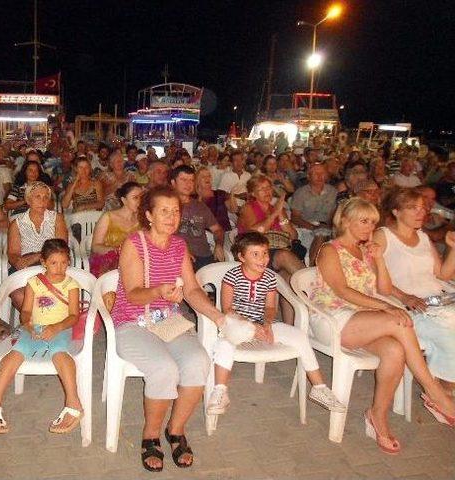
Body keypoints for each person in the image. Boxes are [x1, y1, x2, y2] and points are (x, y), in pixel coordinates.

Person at [312, 198, 455, 454]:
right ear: (345, 221)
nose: (370, 228)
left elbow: (385, 289)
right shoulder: (329, 250)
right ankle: (435, 392)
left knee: (395, 351)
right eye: (364, 221)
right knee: (399, 319)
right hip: (333, 318)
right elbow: (341, 290)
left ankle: (377, 417)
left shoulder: (366, 250)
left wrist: (378, 260)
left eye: (373, 222)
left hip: (364, 319)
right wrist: (385, 307)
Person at [112, 186, 228, 471]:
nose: (172, 216)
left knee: (198, 360)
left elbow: (191, 289)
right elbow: (133, 293)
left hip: (167, 321)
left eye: (176, 211)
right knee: (164, 368)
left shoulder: (179, 246)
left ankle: (175, 430)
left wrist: (217, 316)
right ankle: (150, 435)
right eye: (164, 211)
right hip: (133, 322)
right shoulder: (134, 243)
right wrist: (160, 292)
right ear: (148, 215)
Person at [206, 232, 345, 415]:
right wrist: (251, 326)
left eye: (264, 253)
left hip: (261, 323)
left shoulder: (269, 278)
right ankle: (220, 391)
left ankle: (319, 387)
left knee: (299, 336)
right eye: (255, 254)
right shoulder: (232, 277)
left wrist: (267, 324)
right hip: (237, 324)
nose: (262, 259)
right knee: (225, 343)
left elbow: (271, 307)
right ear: (241, 257)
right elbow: (227, 309)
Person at [0, 239, 83, 435]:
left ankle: (74, 403)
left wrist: (56, 327)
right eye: (54, 263)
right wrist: (29, 325)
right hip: (34, 328)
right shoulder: (34, 283)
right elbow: (26, 312)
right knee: (13, 355)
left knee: (60, 353)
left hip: (61, 328)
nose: (59, 268)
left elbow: (74, 316)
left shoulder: (71, 285)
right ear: (44, 262)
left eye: (64, 263)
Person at [375, 187, 455, 393]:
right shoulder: (383, 236)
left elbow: (441, 274)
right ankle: (445, 388)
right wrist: (404, 296)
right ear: (396, 211)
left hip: (436, 301)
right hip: (406, 306)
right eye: (413, 208)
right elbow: (371, 276)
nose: (421, 213)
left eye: (422, 208)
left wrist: (453, 249)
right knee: (449, 334)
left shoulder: (423, 237)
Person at [237, 174, 304, 324]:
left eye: (268, 188)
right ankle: (312, 289)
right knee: (284, 256)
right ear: (253, 194)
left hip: (276, 253)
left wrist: (280, 214)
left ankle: (291, 326)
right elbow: (255, 232)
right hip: (256, 253)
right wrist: (274, 214)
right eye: (261, 189)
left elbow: (293, 235)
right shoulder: (248, 208)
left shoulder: (277, 209)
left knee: (288, 279)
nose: (267, 191)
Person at [7, 182, 68, 305]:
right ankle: (38, 323)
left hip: (52, 263)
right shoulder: (17, 223)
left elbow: (62, 247)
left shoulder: (57, 218)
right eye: (37, 197)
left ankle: (42, 322)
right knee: (18, 295)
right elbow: (12, 253)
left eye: (46, 197)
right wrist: (17, 262)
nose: (42, 201)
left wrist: (37, 256)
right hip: (25, 265)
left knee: (48, 294)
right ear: (28, 200)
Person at [171, 165, 225, 270]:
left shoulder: (200, 206)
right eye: (183, 180)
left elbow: (217, 229)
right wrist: (182, 251)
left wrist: (218, 245)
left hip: (204, 256)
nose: (188, 184)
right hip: (177, 257)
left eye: (191, 180)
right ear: (173, 183)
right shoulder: (166, 206)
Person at [89, 182, 141, 277]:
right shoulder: (108, 217)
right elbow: (95, 246)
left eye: (141, 197)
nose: (139, 201)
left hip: (134, 261)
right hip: (109, 262)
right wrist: (116, 251)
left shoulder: (142, 220)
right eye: (135, 198)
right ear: (124, 200)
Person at [290, 162, 337, 263]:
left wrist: (328, 226)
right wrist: (313, 227)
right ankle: (313, 264)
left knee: (324, 232)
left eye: (322, 173)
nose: (320, 176)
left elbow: (334, 213)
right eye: (316, 173)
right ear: (308, 176)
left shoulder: (333, 192)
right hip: (307, 227)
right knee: (321, 233)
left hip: (327, 227)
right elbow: (295, 217)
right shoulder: (301, 193)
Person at [194, 166, 236, 232]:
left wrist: (232, 194)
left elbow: (233, 210)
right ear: (197, 180)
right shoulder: (193, 198)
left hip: (225, 231)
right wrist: (199, 196)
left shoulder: (220, 194)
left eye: (209, 176)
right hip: (206, 234)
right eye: (203, 176)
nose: (207, 178)